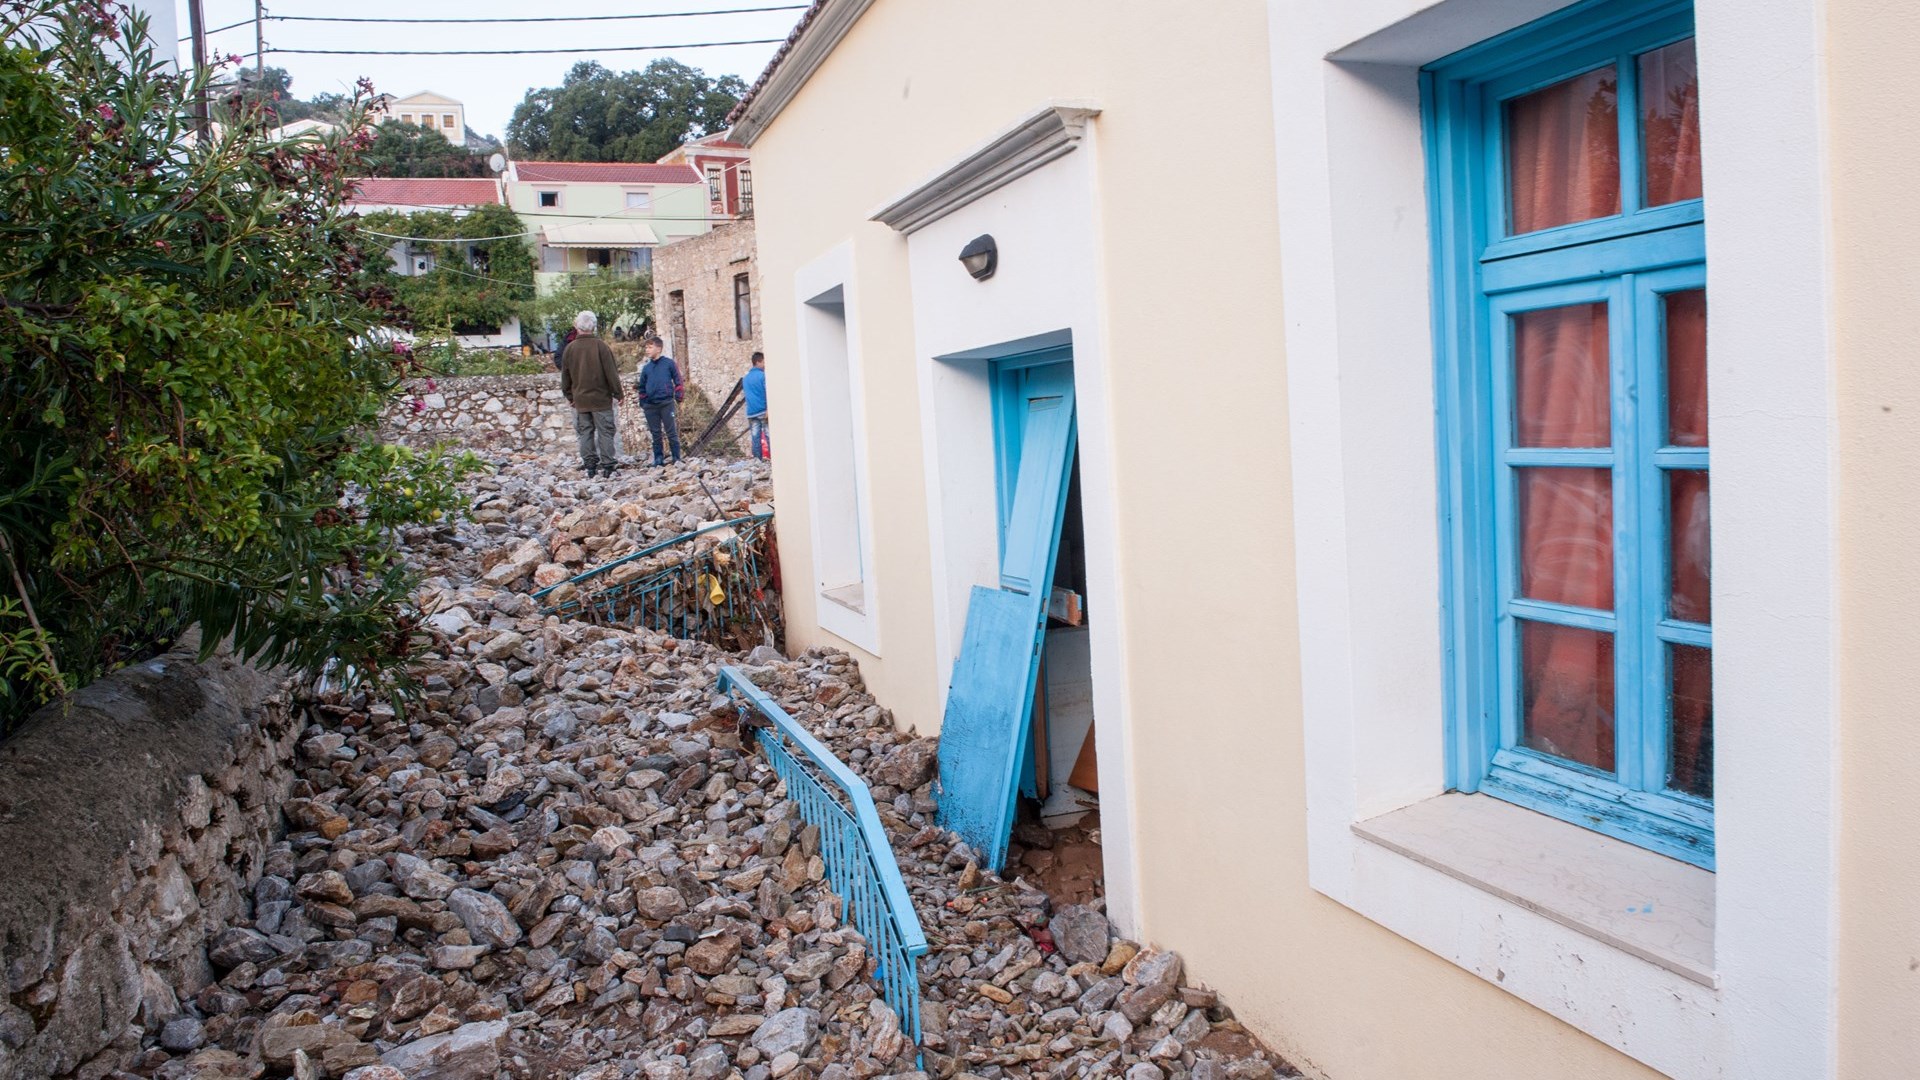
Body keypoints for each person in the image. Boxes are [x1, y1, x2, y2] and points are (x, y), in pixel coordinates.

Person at [558, 311, 622, 478]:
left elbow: (565, 376)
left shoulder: (569, 349)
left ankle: (590, 466)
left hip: (580, 400)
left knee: (585, 432)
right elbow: (611, 373)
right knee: (605, 431)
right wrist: (618, 393)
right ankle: (608, 465)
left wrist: (569, 396)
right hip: (601, 399)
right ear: (593, 326)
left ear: (576, 326)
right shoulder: (601, 346)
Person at [636, 335, 685, 467]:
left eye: (650, 347)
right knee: (655, 433)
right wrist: (643, 402)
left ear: (659, 349)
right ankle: (658, 458)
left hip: (666, 403)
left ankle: (676, 457)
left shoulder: (669, 364)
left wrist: (679, 394)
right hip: (651, 406)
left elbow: (678, 379)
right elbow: (641, 386)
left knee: (671, 431)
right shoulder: (646, 368)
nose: (647, 350)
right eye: (646, 347)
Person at [741, 351, 769, 460]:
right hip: (763, 410)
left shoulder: (746, 378)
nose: (765, 364)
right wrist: (768, 408)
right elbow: (767, 392)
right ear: (758, 362)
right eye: (763, 362)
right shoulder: (763, 376)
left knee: (755, 437)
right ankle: (775, 460)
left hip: (751, 412)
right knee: (768, 435)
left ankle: (757, 461)